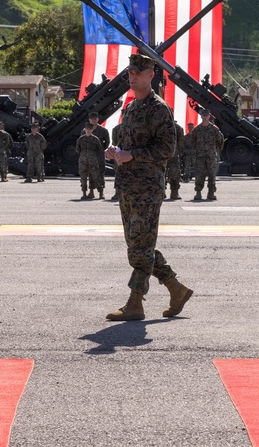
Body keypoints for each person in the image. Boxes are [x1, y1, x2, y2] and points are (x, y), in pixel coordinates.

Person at [104, 53, 191, 321]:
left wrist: (133, 155)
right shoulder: (130, 109)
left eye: (137, 73)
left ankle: (135, 302)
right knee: (139, 246)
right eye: (130, 72)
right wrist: (116, 152)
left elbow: (167, 149)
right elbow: (129, 146)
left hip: (147, 189)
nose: (132, 77)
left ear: (150, 75)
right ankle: (177, 289)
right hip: (128, 187)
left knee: (139, 249)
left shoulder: (158, 109)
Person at [189, 112, 224, 201]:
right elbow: (193, 142)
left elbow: (220, 141)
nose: (205, 117)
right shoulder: (196, 130)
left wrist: (215, 151)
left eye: (206, 116)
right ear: (201, 116)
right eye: (203, 115)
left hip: (211, 156)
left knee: (212, 175)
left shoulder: (214, 129)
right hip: (200, 157)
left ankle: (211, 193)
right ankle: (198, 193)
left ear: (209, 117)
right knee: (199, 175)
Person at [75, 124, 104, 199]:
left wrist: (93, 156)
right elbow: (77, 149)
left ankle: (101, 193)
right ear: (85, 129)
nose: (88, 130)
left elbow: (99, 150)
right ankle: (84, 193)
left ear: (92, 130)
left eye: (90, 129)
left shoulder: (95, 139)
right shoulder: (80, 139)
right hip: (83, 161)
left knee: (96, 176)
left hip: (93, 161)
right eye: (87, 129)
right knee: (83, 177)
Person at [165, 119, 184, 200]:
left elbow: (180, 142)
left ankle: (174, 193)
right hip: (165, 154)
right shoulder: (161, 126)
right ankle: (163, 192)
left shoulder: (178, 128)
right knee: (162, 173)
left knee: (174, 174)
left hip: (169, 154)